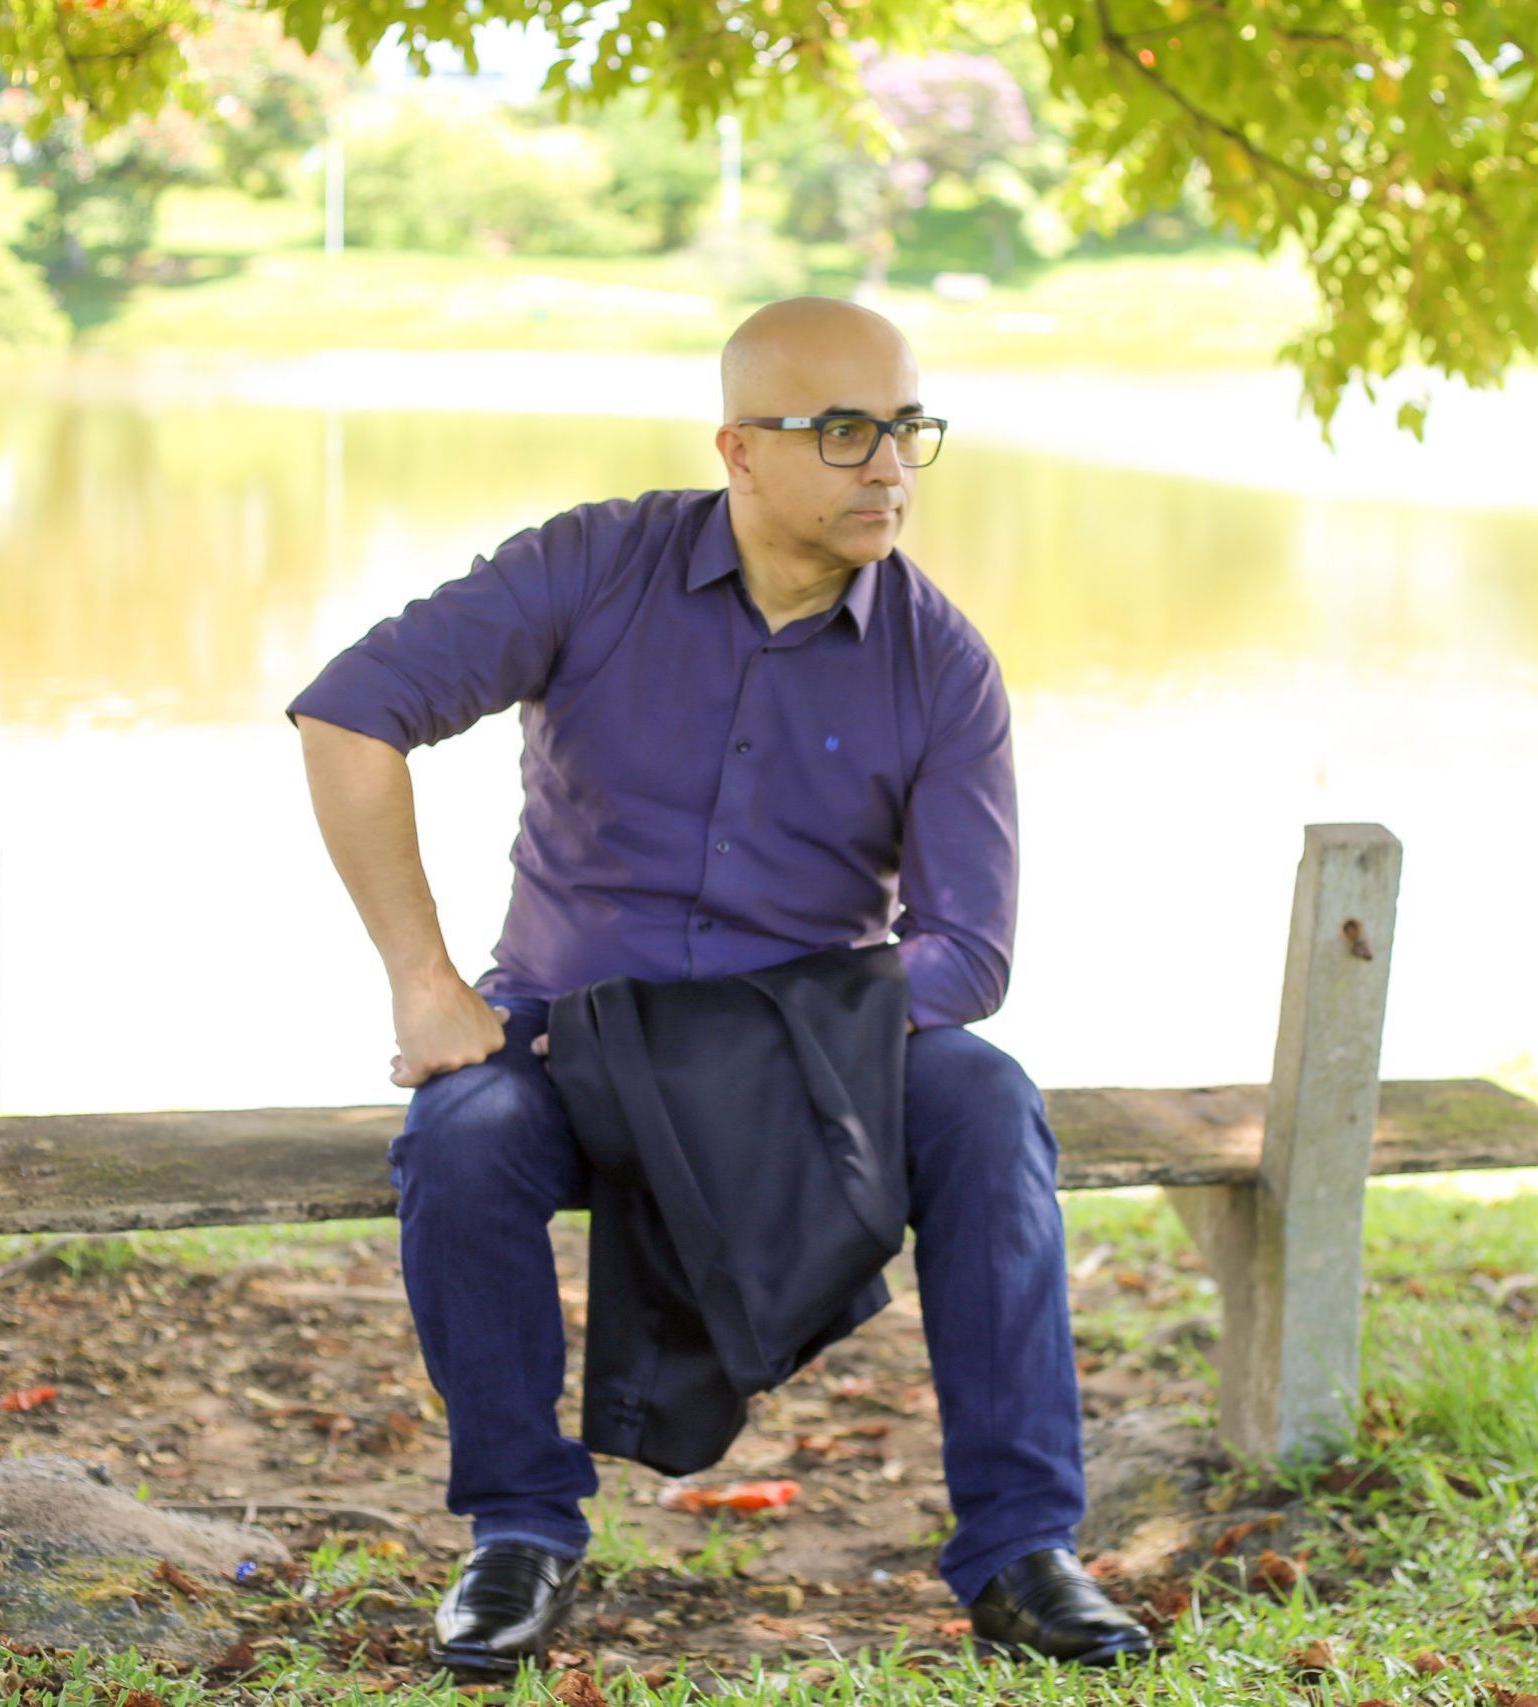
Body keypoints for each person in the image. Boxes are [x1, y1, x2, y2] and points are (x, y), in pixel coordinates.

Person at [286, 296, 1153, 1678]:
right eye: (847, 432)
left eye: (908, 429)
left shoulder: (940, 660)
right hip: (565, 1042)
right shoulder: (591, 564)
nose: (890, 468)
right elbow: (350, 711)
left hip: (810, 1057)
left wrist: (738, 1044)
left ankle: (1022, 1551)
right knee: (465, 1133)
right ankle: (520, 1530)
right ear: (739, 450)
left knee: (986, 1105)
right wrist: (422, 980)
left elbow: (969, 952)